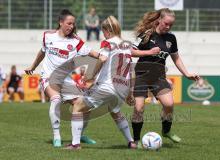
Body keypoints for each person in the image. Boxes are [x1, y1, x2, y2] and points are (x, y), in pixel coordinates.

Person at [65, 15, 160, 150]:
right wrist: (129, 94)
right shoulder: (125, 45)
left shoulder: (108, 42)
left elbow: (102, 59)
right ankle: (131, 142)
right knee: (115, 112)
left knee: (78, 106)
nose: (103, 35)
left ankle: (75, 144)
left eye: (103, 32)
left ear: (107, 30)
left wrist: (90, 76)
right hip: (122, 88)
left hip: (108, 86)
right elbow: (131, 66)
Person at [24, 9, 98, 147]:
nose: (71, 26)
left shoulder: (76, 41)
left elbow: (91, 52)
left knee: (85, 106)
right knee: (56, 99)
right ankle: (56, 136)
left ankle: (80, 136)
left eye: (73, 24)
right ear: (61, 22)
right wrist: (33, 66)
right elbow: (42, 52)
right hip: (48, 77)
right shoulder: (48, 36)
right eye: (69, 23)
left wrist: (101, 56)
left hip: (67, 80)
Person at [131, 8, 200, 146]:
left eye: (171, 25)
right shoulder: (146, 34)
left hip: (159, 77)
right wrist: (149, 52)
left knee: (169, 105)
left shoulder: (171, 38)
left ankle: (166, 131)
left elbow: (176, 58)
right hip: (141, 76)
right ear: (159, 20)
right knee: (138, 109)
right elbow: (131, 52)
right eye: (166, 23)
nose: (168, 27)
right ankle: (137, 140)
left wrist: (186, 74)